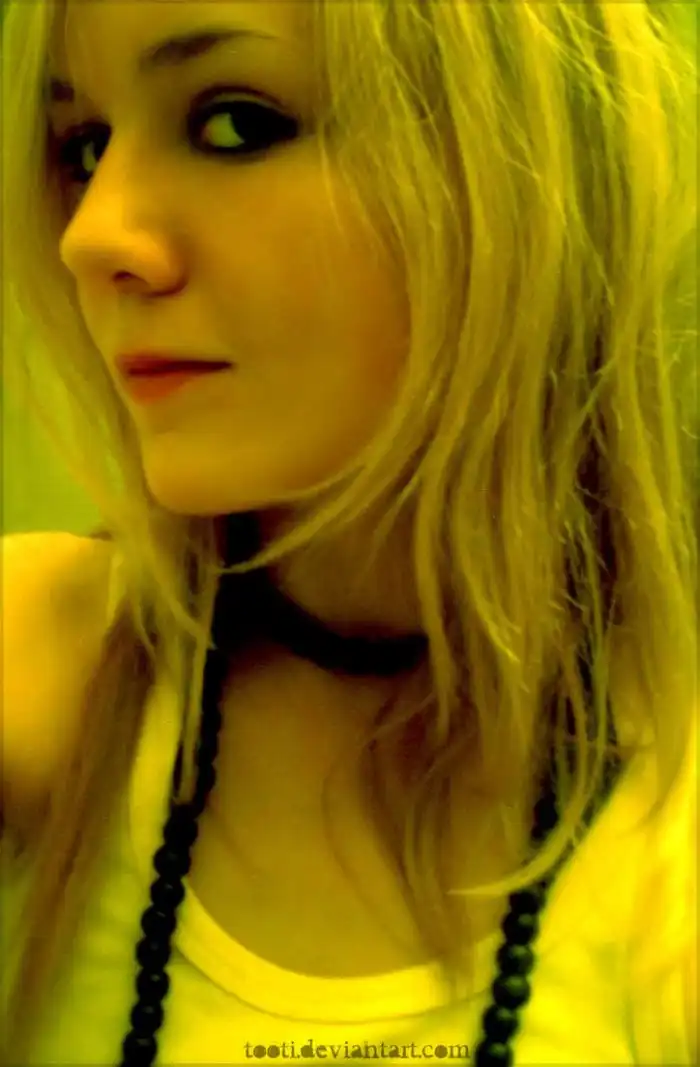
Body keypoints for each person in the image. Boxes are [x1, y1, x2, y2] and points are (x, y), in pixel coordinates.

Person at [0, 0, 696, 1064]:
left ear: (519, 173)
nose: (90, 233)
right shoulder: (41, 676)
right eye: (85, 146)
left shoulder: (667, 834)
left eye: (235, 124)